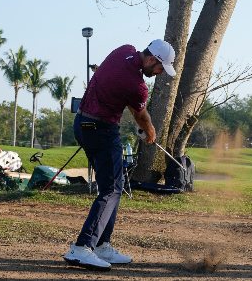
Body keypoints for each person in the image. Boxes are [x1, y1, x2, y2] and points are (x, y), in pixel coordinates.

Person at [62, 38, 175, 271]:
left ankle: (102, 244)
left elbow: (112, 82)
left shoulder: (124, 50)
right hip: (101, 131)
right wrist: (150, 131)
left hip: (82, 124)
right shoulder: (137, 86)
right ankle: (83, 247)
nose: (159, 73)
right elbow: (140, 116)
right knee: (112, 189)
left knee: (114, 184)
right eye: (159, 68)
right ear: (152, 59)